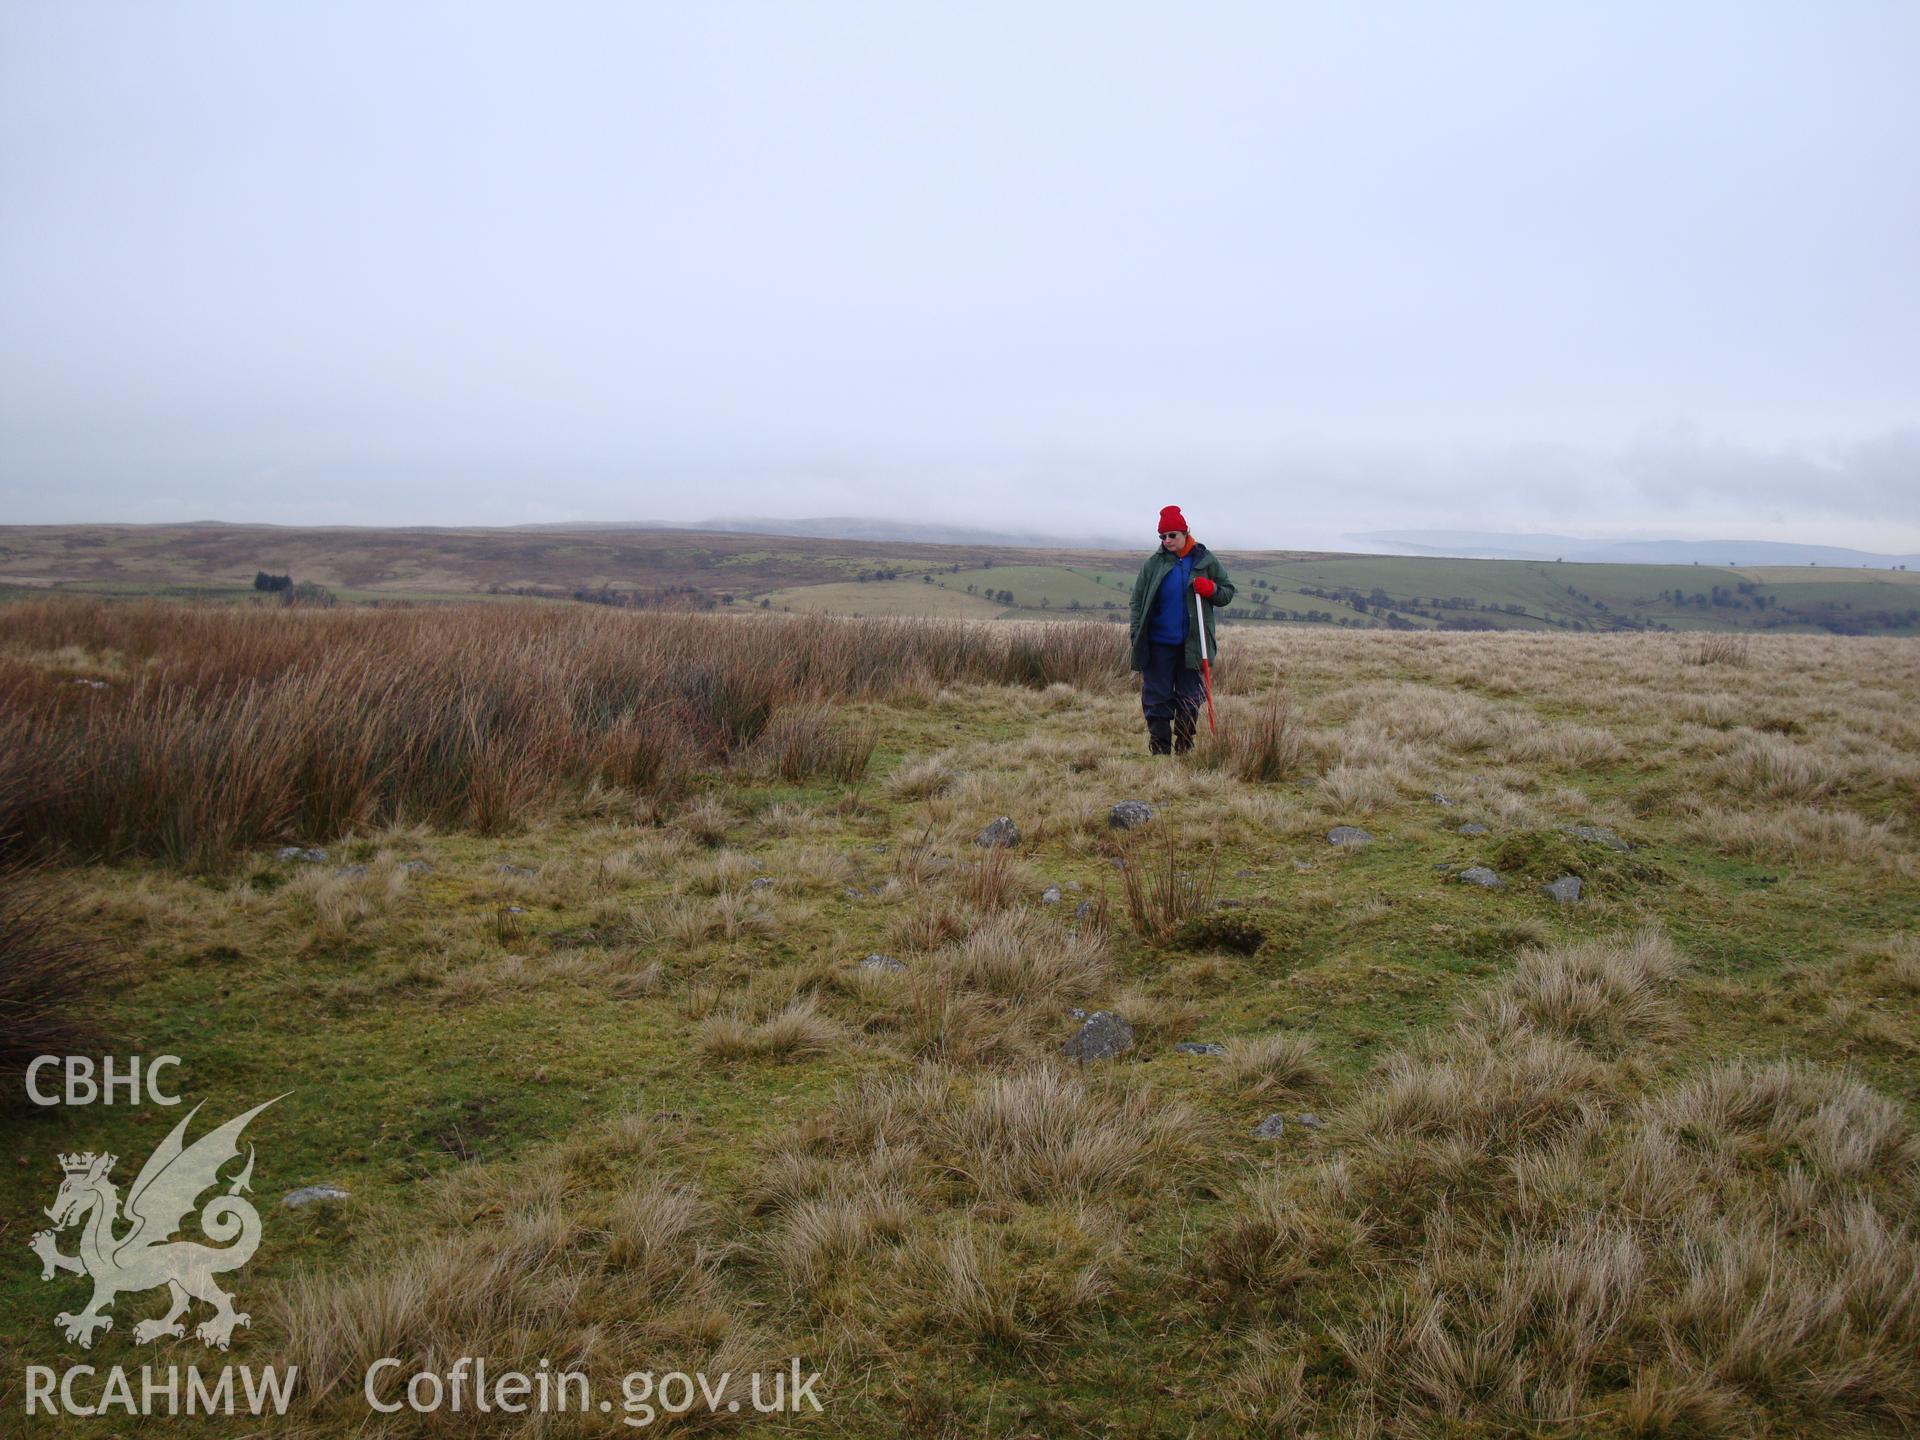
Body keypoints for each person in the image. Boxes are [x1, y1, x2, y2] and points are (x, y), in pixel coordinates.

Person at [1127, 505, 1235, 755]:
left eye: (1172, 535)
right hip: (1158, 643)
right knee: (1157, 696)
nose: (1167, 541)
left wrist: (1211, 589)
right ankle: (1160, 751)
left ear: (1185, 533)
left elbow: (1227, 592)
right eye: (1162, 537)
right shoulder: (1153, 564)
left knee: (1190, 697)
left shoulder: (1205, 561)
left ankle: (1185, 746)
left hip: (1193, 643)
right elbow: (1136, 601)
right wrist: (1136, 633)